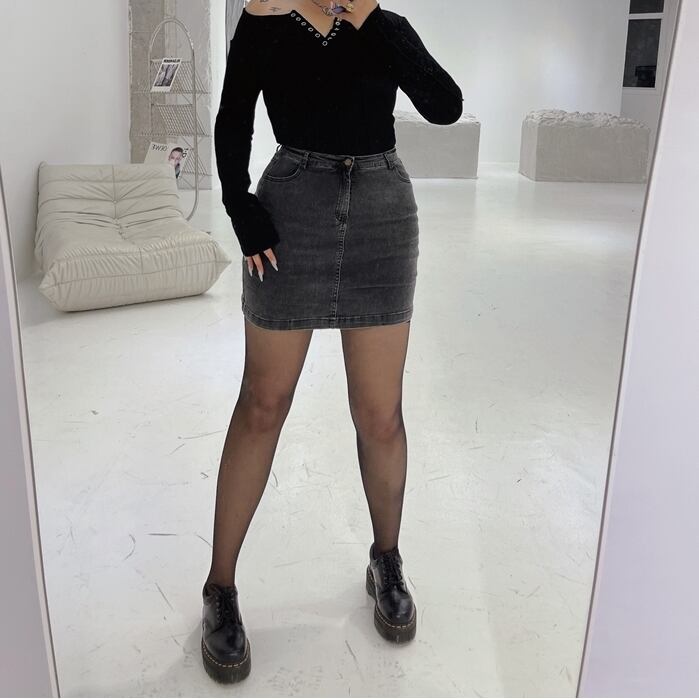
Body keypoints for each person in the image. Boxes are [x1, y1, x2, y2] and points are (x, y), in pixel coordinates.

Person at [201, 0, 463, 683]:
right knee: (262, 404)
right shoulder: (263, 19)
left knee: (380, 415)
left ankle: (386, 560)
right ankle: (220, 587)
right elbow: (233, 118)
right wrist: (238, 204)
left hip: (382, 215)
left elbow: (444, 105)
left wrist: (368, 13)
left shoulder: (384, 25)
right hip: (291, 214)